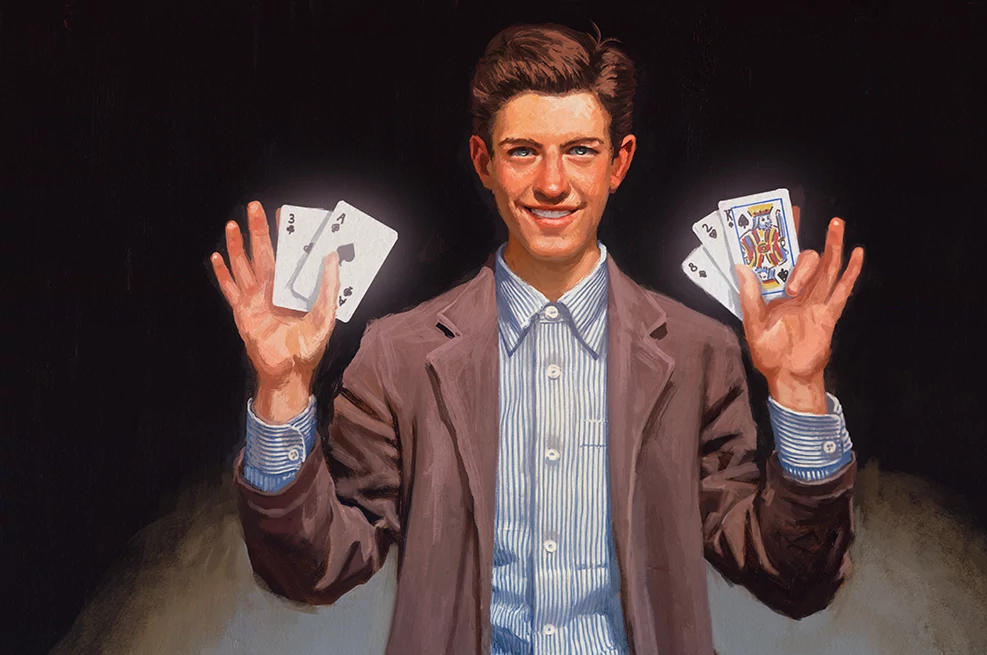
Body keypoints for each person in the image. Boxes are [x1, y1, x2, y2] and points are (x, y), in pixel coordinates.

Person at [210, 23, 865, 655]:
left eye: (581, 149)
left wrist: (800, 389)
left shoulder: (700, 353)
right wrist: (282, 390)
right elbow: (313, 567)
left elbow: (794, 576)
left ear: (619, 162)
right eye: (524, 150)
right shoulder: (397, 355)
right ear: (484, 162)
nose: (553, 184)